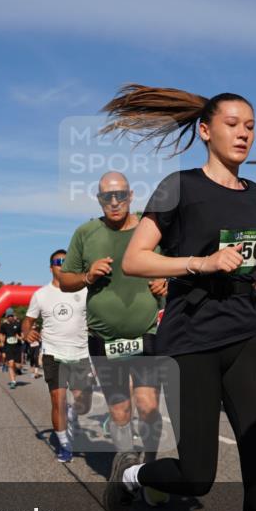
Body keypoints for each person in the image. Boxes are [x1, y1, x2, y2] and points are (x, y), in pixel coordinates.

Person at [106, 85, 256, 511]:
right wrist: (200, 261)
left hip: (244, 337)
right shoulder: (179, 187)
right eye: (233, 123)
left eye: (252, 125)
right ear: (206, 131)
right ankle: (137, 474)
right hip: (188, 344)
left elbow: (248, 263)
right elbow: (137, 259)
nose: (244, 132)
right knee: (197, 477)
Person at [59, 171, 168, 460]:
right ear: (99, 200)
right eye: (108, 196)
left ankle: (149, 465)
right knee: (119, 410)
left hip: (146, 332)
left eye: (121, 195)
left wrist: (167, 281)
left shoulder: (152, 227)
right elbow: (65, 281)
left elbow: (174, 264)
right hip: (104, 338)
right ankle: (127, 468)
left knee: (148, 406)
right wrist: (87, 275)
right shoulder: (86, 233)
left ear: (131, 196)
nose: (115, 201)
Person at [23, 250, 93, 462]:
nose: (61, 264)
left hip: (81, 352)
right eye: (57, 261)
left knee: (83, 403)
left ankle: (73, 414)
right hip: (54, 353)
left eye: (65, 261)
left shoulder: (85, 290)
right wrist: (27, 332)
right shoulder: (41, 294)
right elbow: (28, 320)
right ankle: (64, 445)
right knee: (58, 400)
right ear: (51, 266)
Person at [0, 308, 23, 389]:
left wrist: (19, 337)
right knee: (11, 363)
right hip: (8, 347)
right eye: (8, 316)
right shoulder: (4, 326)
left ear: (13, 316)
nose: (10, 317)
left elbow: (22, 335)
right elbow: (1, 335)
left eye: (11, 315)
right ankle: (13, 381)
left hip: (17, 347)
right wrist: (2, 342)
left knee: (18, 366)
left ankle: (17, 369)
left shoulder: (18, 324)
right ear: (6, 317)